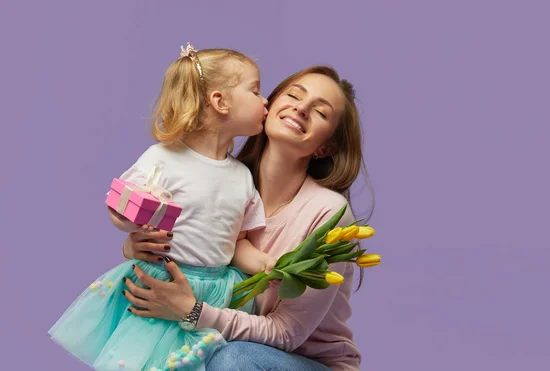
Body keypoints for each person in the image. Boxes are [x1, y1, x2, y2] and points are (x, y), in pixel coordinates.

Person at [122, 65, 371, 371]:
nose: (301, 108)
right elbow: (188, 251)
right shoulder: (227, 185)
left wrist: (192, 310)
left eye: (320, 112)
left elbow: (286, 334)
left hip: (302, 362)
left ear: (325, 147)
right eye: (293, 95)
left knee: (231, 359)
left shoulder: (329, 214)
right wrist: (135, 248)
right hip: (215, 347)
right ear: (267, 106)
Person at [48, 44, 275, 371]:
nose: (264, 100)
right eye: (255, 91)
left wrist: (266, 263)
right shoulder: (163, 158)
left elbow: (235, 242)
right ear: (220, 102)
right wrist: (129, 223)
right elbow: (122, 207)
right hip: (162, 284)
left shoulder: (241, 177)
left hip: (215, 295)